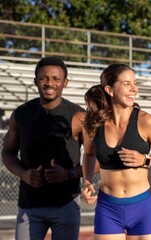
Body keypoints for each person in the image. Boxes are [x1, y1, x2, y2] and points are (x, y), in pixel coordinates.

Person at [1, 57, 85, 240]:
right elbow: (7, 152)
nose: (49, 83)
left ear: (65, 83)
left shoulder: (79, 116)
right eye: (43, 78)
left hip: (66, 204)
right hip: (30, 206)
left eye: (56, 79)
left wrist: (69, 173)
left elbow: (96, 159)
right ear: (35, 81)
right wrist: (24, 174)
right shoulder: (21, 113)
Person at [80, 63, 151, 240]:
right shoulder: (93, 124)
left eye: (135, 83)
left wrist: (145, 160)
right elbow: (88, 154)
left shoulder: (146, 121)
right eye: (126, 84)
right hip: (108, 208)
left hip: (142, 207)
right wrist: (87, 181)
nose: (134, 89)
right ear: (110, 89)